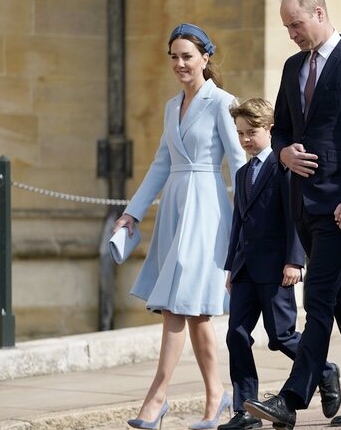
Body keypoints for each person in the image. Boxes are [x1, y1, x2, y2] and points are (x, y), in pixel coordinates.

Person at [243, 0, 341, 429]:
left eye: (296, 25)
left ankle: (291, 398)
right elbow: (281, 129)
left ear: (319, 13)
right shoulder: (291, 68)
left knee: (318, 298)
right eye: (286, 26)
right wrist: (282, 154)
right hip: (301, 206)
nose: (291, 34)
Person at [113, 23, 246, 430]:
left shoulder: (223, 102)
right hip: (174, 207)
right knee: (194, 312)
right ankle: (215, 396)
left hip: (207, 210)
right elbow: (161, 164)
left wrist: (249, 220)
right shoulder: (172, 107)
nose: (179, 63)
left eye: (187, 55)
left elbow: (239, 163)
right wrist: (131, 213)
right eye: (173, 56)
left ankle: (156, 399)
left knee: (178, 306)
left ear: (206, 57)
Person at [220, 98, 339, 430]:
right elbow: (238, 224)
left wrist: (294, 261)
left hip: (276, 268)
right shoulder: (243, 173)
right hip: (244, 269)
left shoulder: (284, 168)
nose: (245, 139)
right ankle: (245, 410)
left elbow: (294, 218)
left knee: (282, 336)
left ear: (270, 130)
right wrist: (230, 266)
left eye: (251, 132)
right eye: (240, 133)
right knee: (236, 336)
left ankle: (325, 369)